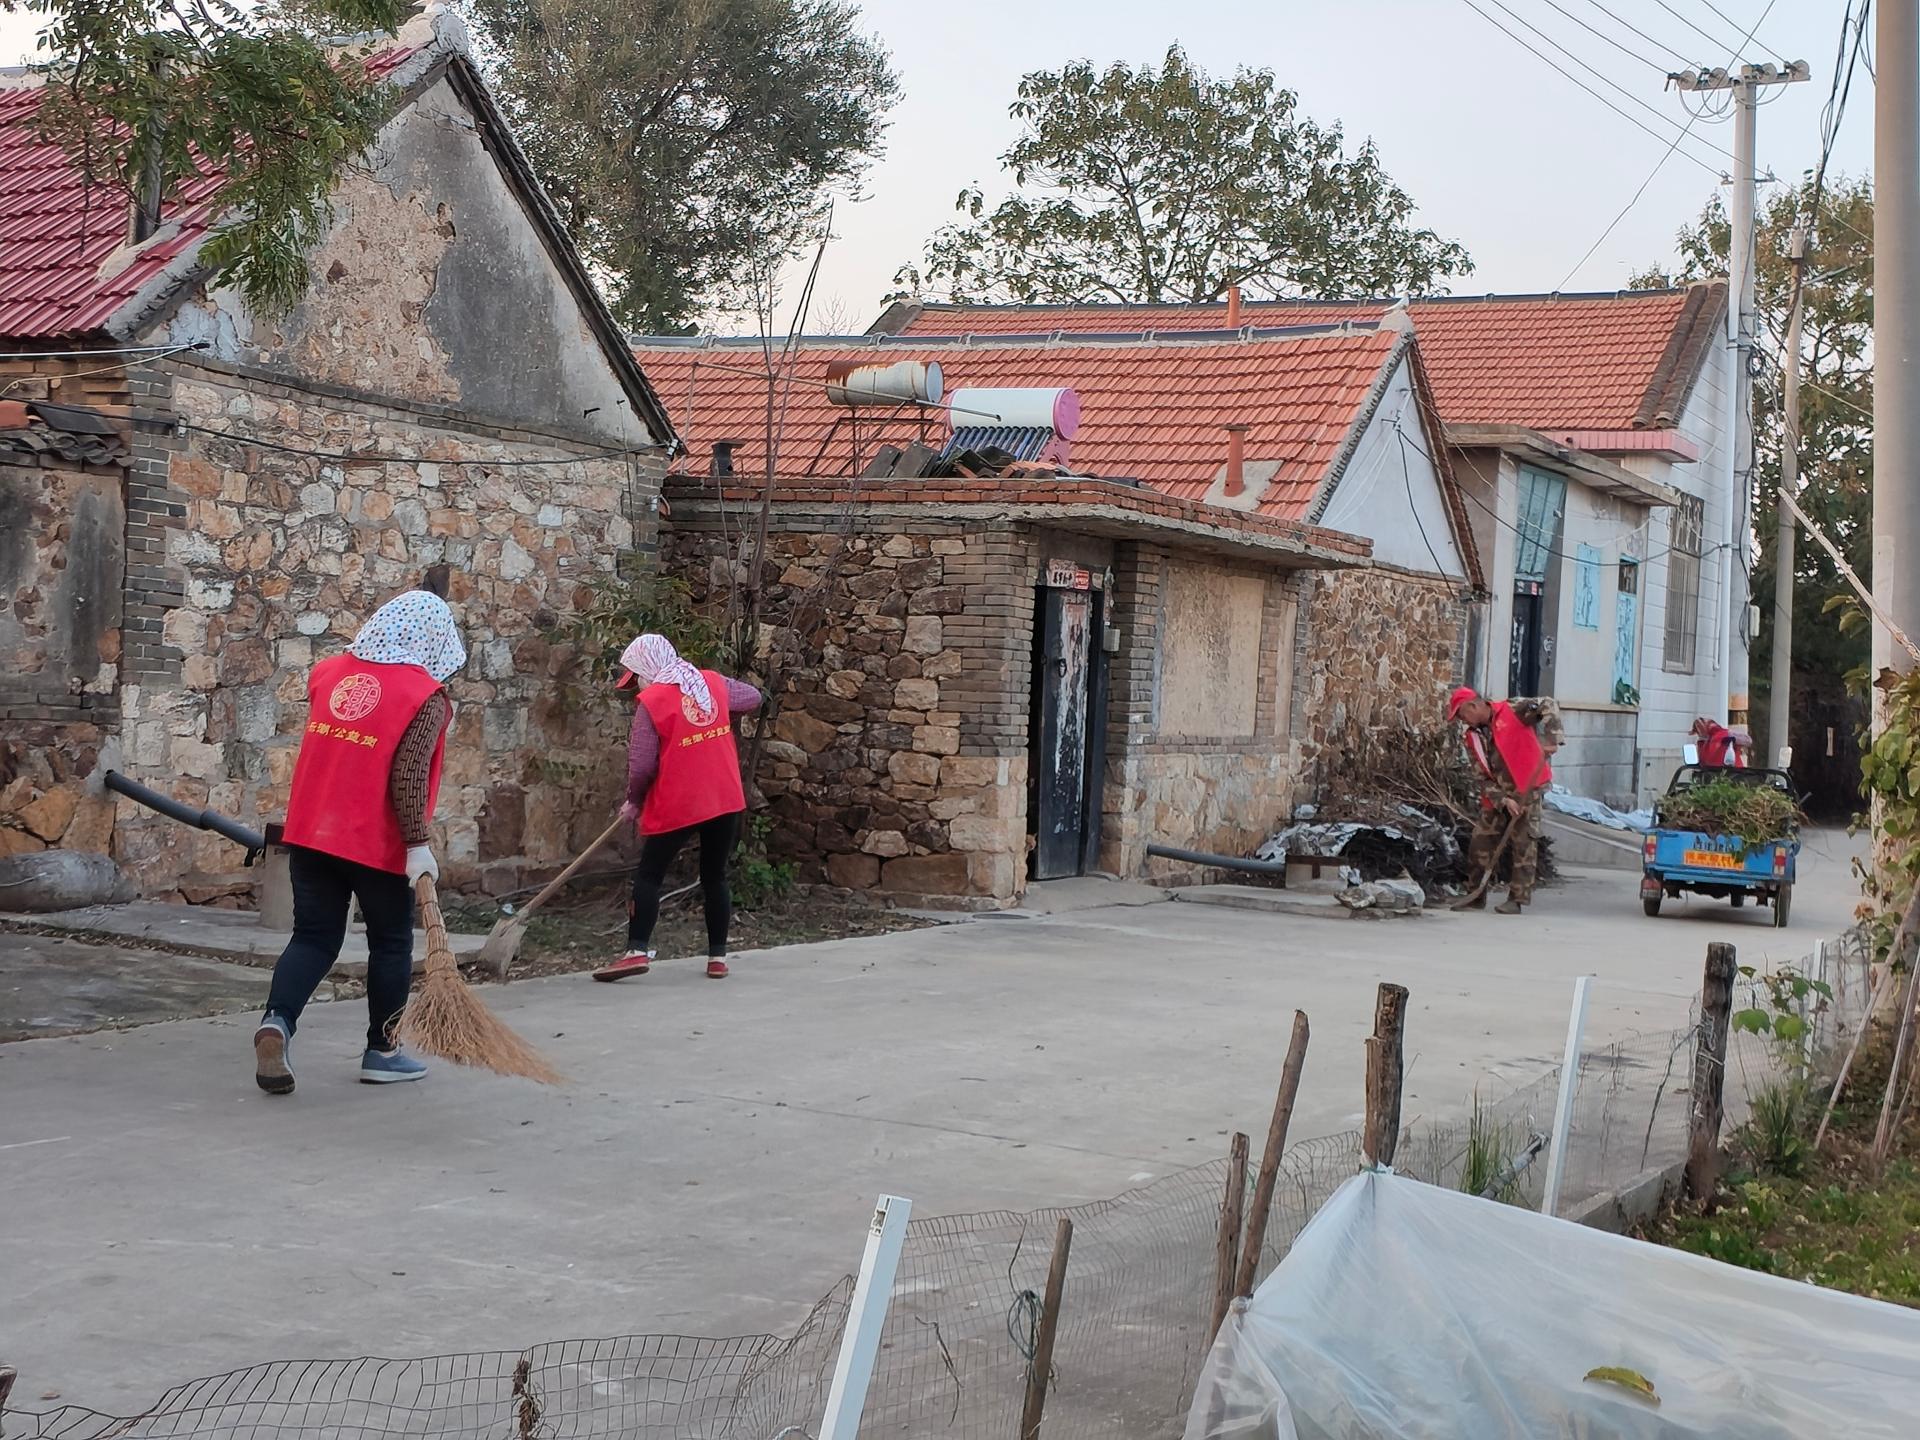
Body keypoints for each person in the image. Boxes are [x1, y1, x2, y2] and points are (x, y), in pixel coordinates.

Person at [252, 591, 464, 1094]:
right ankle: (382, 1052)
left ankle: (277, 1021)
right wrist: (417, 844)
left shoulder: (328, 674)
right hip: (375, 841)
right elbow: (408, 776)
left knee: (313, 937)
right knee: (390, 942)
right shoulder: (425, 696)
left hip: (311, 831)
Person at [593, 634, 763, 982]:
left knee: (650, 875)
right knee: (714, 876)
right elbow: (753, 697)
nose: (638, 685)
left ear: (649, 668)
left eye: (637, 676)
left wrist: (634, 801)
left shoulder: (652, 701)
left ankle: (636, 952)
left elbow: (642, 764)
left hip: (680, 799)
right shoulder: (711, 683)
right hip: (723, 796)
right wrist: (717, 711)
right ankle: (717, 958)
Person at [1448, 686, 1563, 915]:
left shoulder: (1513, 709)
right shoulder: (1472, 737)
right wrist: (1503, 801)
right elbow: (1481, 777)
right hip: (1498, 796)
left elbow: (1548, 704)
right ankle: (1475, 895)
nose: (1462, 721)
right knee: (1480, 842)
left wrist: (1552, 737)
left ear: (1473, 706)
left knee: (1524, 843)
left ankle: (1517, 899)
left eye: (1461, 714)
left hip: (1528, 788)